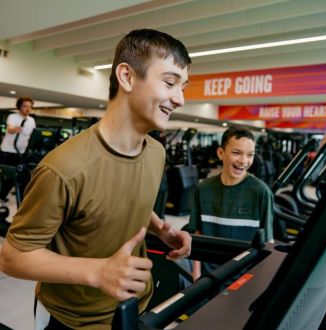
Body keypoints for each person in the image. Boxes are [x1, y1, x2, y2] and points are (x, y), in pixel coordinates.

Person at [0, 29, 192, 329]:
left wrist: (159, 229)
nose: (180, 99)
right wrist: (99, 272)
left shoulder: (156, 152)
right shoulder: (64, 168)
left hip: (136, 305)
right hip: (73, 320)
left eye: (183, 87)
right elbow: (12, 258)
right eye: (170, 83)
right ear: (127, 77)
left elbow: (120, 195)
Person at [188, 126, 274, 280]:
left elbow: (268, 242)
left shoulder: (261, 192)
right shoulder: (203, 188)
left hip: (244, 276)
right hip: (209, 276)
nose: (244, 161)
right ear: (221, 153)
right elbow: (197, 234)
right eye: (236, 153)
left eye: (250, 155)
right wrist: (196, 272)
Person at [0, 96, 36, 202]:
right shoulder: (13, 117)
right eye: (25, 106)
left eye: (30, 107)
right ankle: (2, 195)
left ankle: (17, 196)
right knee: (12, 175)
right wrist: (16, 128)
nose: (28, 109)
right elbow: (10, 129)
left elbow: (33, 134)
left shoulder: (31, 120)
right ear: (19, 106)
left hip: (22, 151)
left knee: (22, 174)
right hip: (9, 150)